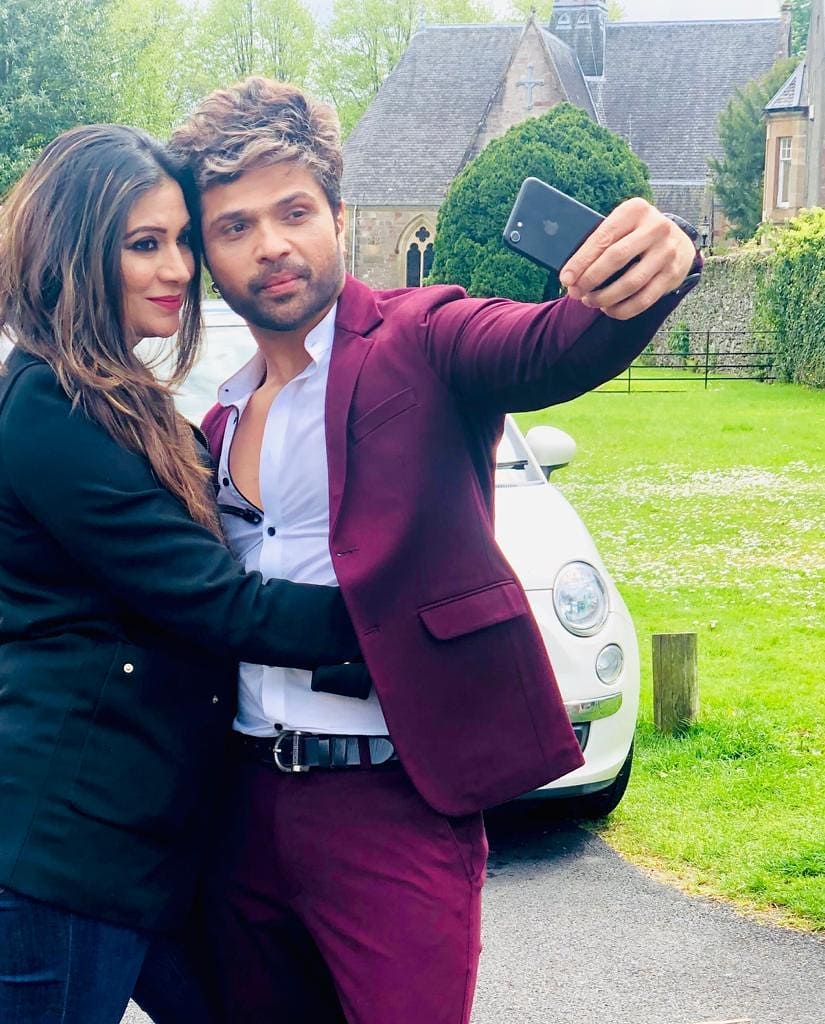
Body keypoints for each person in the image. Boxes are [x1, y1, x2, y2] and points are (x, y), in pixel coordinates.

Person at [170, 77, 703, 1024]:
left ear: (338, 217)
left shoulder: (421, 337)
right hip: (241, 804)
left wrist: (659, 261)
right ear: (209, 254)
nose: (271, 245)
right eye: (235, 227)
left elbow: (548, 345)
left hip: (393, 803)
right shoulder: (216, 420)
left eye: (294, 212)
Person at [0, 123, 363, 1024]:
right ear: (77, 252)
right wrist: (403, 628)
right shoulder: (47, 404)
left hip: (147, 836)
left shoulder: (119, 395)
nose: (177, 270)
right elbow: (215, 601)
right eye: (143, 244)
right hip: (66, 851)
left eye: (182, 242)